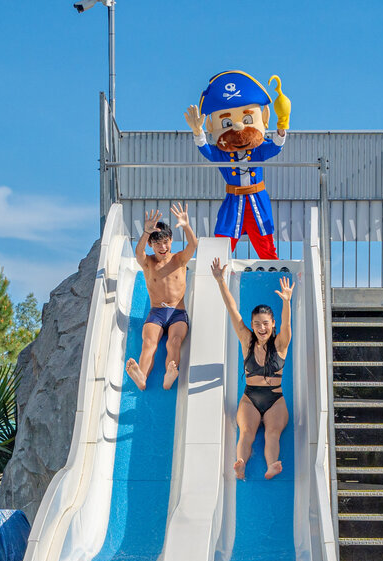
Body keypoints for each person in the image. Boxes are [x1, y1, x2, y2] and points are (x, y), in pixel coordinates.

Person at [184, 70, 290, 259]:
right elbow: (206, 150)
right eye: (227, 122)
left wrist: (282, 125)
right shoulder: (222, 155)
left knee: (265, 243)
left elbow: (275, 147)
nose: (238, 127)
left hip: (257, 200)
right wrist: (197, 131)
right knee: (222, 240)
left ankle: (275, 276)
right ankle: (216, 276)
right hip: (233, 202)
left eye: (246, 120)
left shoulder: (258, 150)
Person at [211, 257, 292, 479]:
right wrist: (220, 281)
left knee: (272, 434)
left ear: (272, 323)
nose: (261, 328)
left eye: (265, 323)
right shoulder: (247, 341)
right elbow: (233, 311)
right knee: (246, 433)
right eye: (256, 324)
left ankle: (271, 465)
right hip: (250, 398)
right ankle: (240, 463)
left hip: (275, 399)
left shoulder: (281, 344)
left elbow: (287, 325)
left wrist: (286, 301)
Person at [126, 202, 198, 391]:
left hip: (177, 313)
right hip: (156, 312)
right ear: (151, 244)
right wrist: (146, 232)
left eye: (165, 241)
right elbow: (138, 252)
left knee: (174, 342)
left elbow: (193, 245)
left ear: (171, 241)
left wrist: (186, 225)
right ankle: (141, 376)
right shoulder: (148, 263)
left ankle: (169, 375)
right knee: (149, 342)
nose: (162, 246)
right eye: (157, 243)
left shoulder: (179, 259)